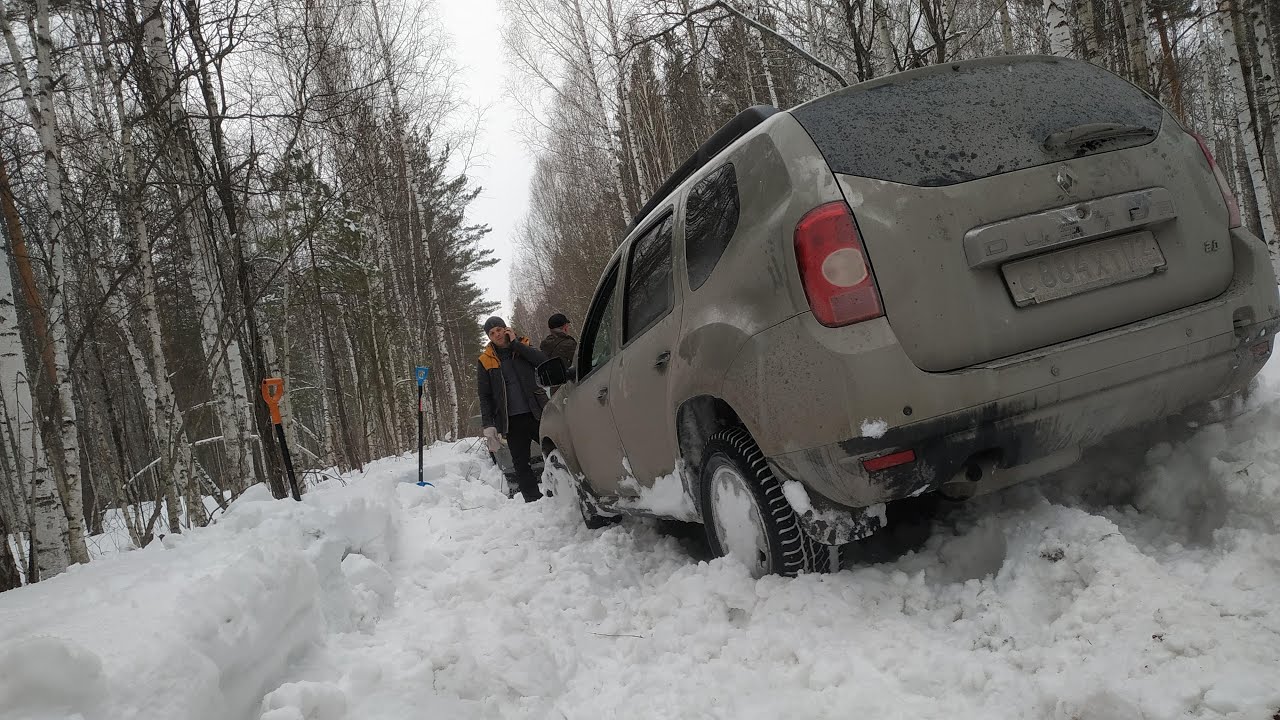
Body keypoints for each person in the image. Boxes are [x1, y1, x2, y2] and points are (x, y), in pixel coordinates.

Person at [477, 316, 550, 502]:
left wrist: (516, 344)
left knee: (552, 452)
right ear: (489, 337)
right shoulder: (485, 360)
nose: (497, 335)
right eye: (492, 333)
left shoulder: (523, 345)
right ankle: (533, 499)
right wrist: (488, 424)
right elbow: (484, 395)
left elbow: (543, 361)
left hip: (536, 412)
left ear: (506, 329)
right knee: (520, 462)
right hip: (511, 420)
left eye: (499, 330)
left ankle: (560, 487)